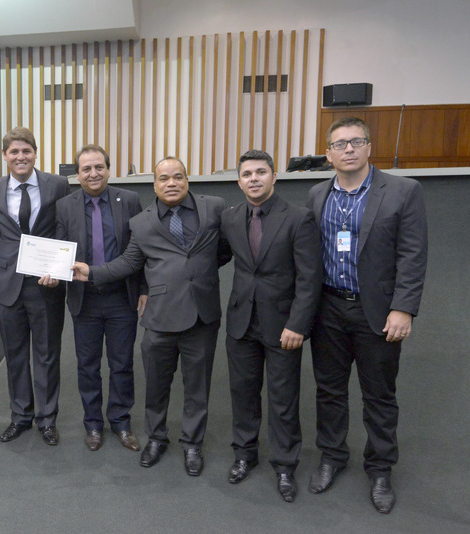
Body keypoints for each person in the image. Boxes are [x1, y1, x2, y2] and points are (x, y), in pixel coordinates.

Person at [73, 157, 231, 476]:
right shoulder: (142, 222)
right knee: (157, 385)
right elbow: (130, 262)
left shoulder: (214, 208)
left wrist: (196, 273)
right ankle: (156, 438)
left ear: (187, 179)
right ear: (154, 185)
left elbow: (224, 250)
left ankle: (192, 444)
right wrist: (92, 272)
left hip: (202, 314)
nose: (171, 183)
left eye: (177, 177)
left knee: (197, 386)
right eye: (164, 178)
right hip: (160, 315)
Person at [307, 117, 428, 514]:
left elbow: (412, 254)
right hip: (328, 308)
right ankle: (332, 456)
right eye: (340, 144)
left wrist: (403, 308)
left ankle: (379, 469)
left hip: (376, 311)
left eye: (356, 141)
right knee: (329, 390)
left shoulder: (403, 191)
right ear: (328, 154)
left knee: (379, 394)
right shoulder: (317, 194)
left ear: (369, 147)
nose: (348, 149)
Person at [220, 150, 322, 502]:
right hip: (241, 322)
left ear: (274, 177)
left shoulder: (298, 217)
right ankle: (244, 454)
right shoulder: (230, 217)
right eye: (247, 174)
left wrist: (298, 324)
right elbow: (218, 256)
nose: (254, 179)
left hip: (283, 326)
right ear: (239, 181)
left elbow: (310, 278)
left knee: (283, 398)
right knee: (243, 393)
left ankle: (284, 465)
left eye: (261, 172)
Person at [55, 144, 145, 452]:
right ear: (77, 174)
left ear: (108, 169)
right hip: (85, 299)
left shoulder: (129, 200)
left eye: (99, 167)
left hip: (121, 296)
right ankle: (93, 424)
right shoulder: (64, 206)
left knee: (122, 364)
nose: (93, 173)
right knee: (88, 365)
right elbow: (58, 247)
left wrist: (144, 288)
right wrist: (51, 270)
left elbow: (140, 250)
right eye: (86, 169)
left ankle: (121, 422)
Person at [0, 127, 70, 445]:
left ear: (35, 153)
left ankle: (47, 419)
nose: (21, 157)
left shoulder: (57, 185)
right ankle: (21, 416)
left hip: (47, 283)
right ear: (4, 156)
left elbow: (65, 228)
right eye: (14, 152)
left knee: (47, 354)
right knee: (15, 354)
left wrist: (59, 269)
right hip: (8, 283)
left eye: (26, 151)